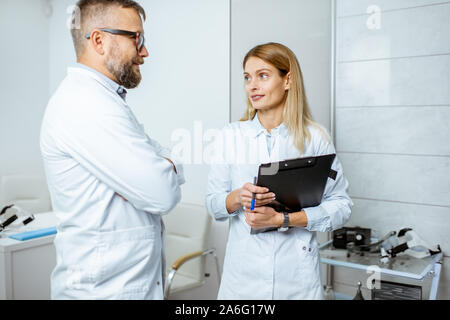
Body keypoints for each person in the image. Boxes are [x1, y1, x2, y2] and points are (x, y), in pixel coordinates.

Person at [40, 0, 185, 299]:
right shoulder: (85, 105)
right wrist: (158, 170)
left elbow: (164, 163)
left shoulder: (106, 102)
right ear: (98, 40)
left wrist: (160, 167)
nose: (144, 51)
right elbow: (162, 192)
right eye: (137, 38)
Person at [205, 42, 353, 299]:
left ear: (288, 80)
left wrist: (283, 220)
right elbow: (213, 204)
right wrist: (238, 197)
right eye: (247, 78)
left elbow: (341, 206)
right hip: (243, 280)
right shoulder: (231, 135)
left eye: (263, 76)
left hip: (296, 277)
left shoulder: (315, 138)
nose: (252, 85)